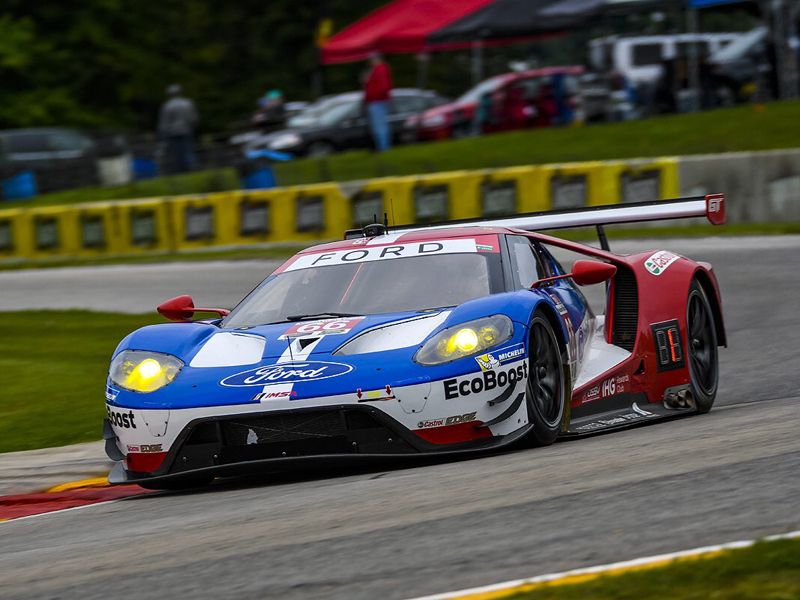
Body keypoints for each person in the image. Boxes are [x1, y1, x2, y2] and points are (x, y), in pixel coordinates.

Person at [157, 84, 198, 174]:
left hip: (173, 133)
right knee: (189, 151)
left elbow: (164, 123)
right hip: (187, 131)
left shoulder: (167, 106)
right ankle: (194, 170)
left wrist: (162, 136)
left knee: (176, 155)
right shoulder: (188, 103)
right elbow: (193, 119)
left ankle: (180, 172)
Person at [363, 52, 392, 152]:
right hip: (375, 101)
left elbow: (383, 87)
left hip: (377, 101)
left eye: (372, 59)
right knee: (378, 126)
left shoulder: (380, 69)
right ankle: (381, 147)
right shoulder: (376, 70)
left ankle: (384, 148)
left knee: (380, 126)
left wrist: (373, 95)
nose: (370, 62)